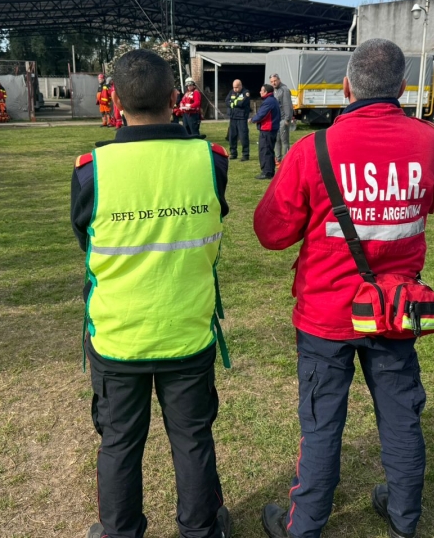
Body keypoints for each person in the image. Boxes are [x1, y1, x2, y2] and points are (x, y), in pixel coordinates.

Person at [253, 39, 434, 538]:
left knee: (321, 423)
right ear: (403, 88)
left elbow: (271, 232)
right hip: (395, 309)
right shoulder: (429, 143)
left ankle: (306, 525)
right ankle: (405, 516)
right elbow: (432, 199)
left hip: (327, 314)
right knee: (401, 415)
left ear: (346, 87)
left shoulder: (312, 150)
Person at [71, 49, 232, 538]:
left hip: (120, 335)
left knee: (119, 443)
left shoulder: (91, 169)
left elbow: (86, 238)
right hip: (186, 328)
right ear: (173, 99)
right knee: (192, 439)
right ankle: (201, 529)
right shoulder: (210, 159)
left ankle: (120, 532)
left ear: (115, 101)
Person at [250, 83, 280, 180]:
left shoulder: (268, 102)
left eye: (261, 90)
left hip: (267, 130)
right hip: (271, 130)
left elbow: (262, 114)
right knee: (269, 151)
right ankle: (270, 171)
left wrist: (253, 119)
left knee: (265, 151)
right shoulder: (272, 100)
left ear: (266, 92)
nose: (260, 92)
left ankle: (266, 172)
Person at [270, 74, 293, 165]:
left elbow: (287, 105)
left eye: (275, 81)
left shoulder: (284, 90)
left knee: (284, 141)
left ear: (279, 80)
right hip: (276, 120)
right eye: (271, 82)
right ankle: (278, 159)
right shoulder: (274, 90)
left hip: (283, 119)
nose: (273, 83)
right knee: (277, 140)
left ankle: (286, 160)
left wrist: (287, 119)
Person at [225, 80, 251, 161]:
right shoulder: (231, 92)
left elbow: (242, 103)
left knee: (243, 136)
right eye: (234, 87)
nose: (235, 89)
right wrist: (235, 103)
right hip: (233, 117)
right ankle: (233, 153)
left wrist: (232, 103)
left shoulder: (246, 93)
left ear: (240, 86)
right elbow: (226, 101)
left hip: (242, 118)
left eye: (236, 87)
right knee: (232, 136)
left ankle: (245, 154)